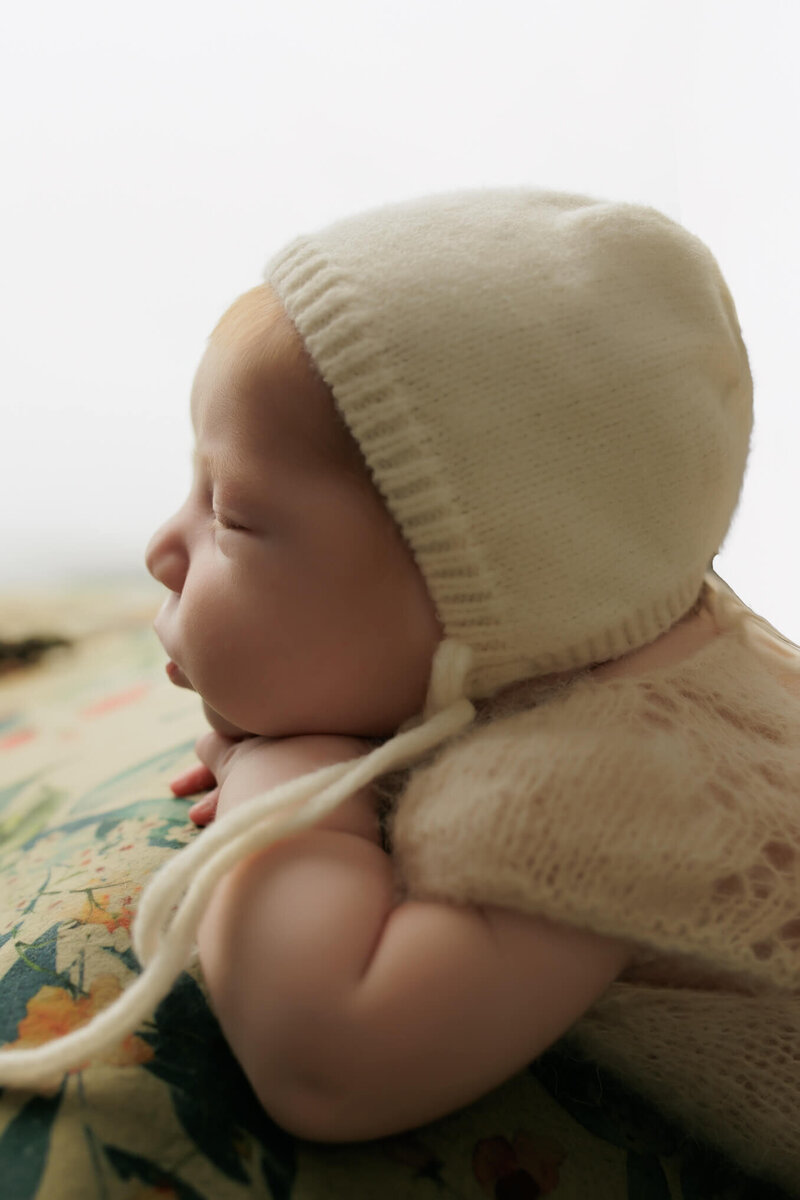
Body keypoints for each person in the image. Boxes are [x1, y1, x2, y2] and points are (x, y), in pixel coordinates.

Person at [2, 188, 799, 1195]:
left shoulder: (605, 777)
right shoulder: (579, 625)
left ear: (479, 595)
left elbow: (331, 1065)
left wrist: (296, 786)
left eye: (232, 515)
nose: (160, 550)